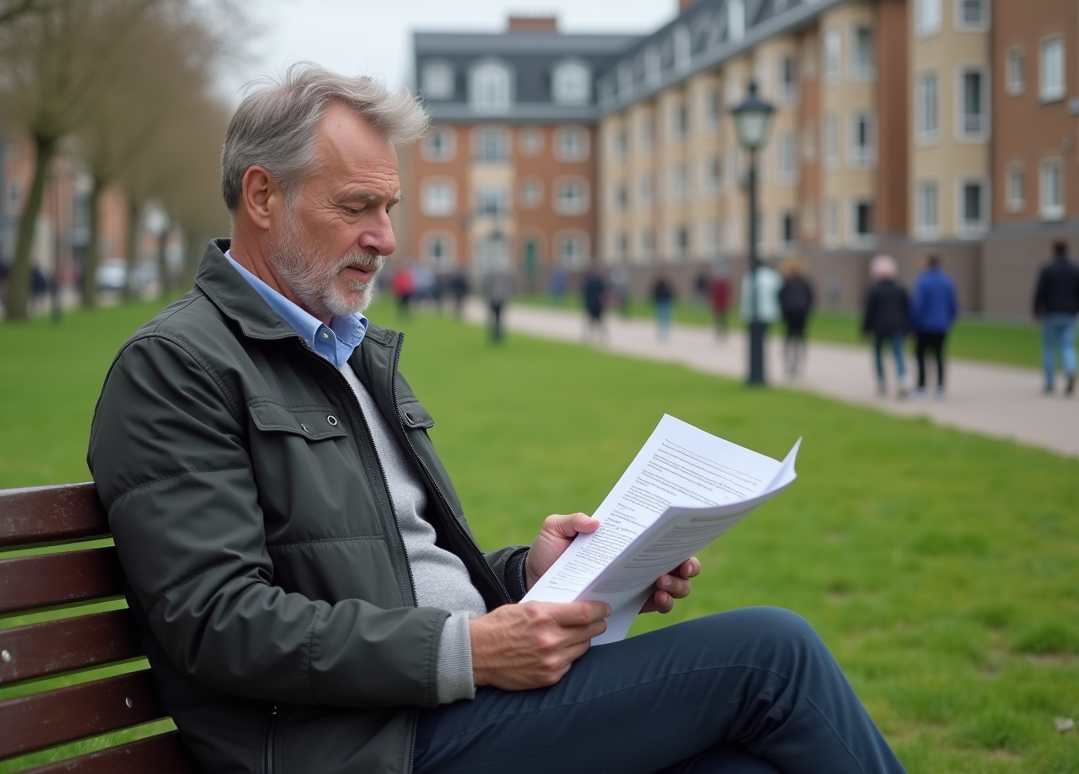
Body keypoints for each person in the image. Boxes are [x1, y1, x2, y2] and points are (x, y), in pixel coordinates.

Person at [87, 65, 905, 774]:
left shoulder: (348, 350)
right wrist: (469, 651)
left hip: (445, 709)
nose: (386, 238)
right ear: (263, 195)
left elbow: (390, 566)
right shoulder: (177, 367)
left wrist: (528, 579)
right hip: (361, 746)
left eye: (392, 205)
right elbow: (221, 622)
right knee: (774, 654)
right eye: (357, 206)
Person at [1032, 238, 1079, 395]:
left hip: (1051, 312)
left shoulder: (1047, 268)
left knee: (1049, 348)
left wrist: (1036, 310)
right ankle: (1070, 369)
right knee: (1068, 345)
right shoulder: (1075, 269)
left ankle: (1050, 383)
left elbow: (1040, 292)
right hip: (1070, 313)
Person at [862, 255, 911, 398]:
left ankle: (882, 383)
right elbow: (907, 309)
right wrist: (908, 328)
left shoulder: (874, 290)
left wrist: (865, 329)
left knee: (878, 355)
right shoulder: (900, 288)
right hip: (897, 327)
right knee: (898, 354)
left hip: (879, 328)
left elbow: (869, 312)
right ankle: (902, 380)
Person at [910, 254, 957, 398]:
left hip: (924, 326)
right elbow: (953, 305)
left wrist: (913, 325)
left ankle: (921, 387)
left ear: (928, 264)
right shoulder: (947, 281)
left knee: (921, 356)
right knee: (939, 356)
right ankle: (940, 386)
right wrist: (947, 321)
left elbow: (918, 306)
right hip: (941, 325)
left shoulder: (923, 282)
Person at [777, 255, 815, 378]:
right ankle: (798, 364)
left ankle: (789, 364)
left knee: (788, 339)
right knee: (800, 339)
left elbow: (780, 298)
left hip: (789, 314)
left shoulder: (786, 282)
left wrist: (783, 313)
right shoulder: (804, 282)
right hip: (801, 314)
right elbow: (811, 298)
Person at [739, 261, 782, 338]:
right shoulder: (771, 275)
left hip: (753, 312)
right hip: (768, 311)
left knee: (754, 335)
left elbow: (746, 294)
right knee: (764, 334)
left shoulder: (749, 275)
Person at [482, 265, 514, 344]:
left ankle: (494, 334)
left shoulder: (490, 275)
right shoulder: (505, 275)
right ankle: (498, 334)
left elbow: (485, 285)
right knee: (499, 318)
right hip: (501, 298)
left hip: (493, 298)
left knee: (492, 318)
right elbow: (509, 286)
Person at [582, 265, 608, 343]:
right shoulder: (595, 282)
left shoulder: (592, 281)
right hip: (594, 304)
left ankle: (599, 337)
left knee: (597, 322)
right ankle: (590, 337)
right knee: (592, 322)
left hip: (596, 305)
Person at [708, 262, 731, 340]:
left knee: (723, 319)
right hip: (717, 303)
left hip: (722, 304)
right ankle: (719, 332)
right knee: (718, 319)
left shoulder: (722, 283)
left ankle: (723, 332)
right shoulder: (716, 283)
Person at [650, 275, 675, 341]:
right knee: (662, 317)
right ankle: (661, 332)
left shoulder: (666, 285)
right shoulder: (660, 285)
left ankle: (664, 332)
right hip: (661, 302)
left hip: (665, 302)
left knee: (665, 317)